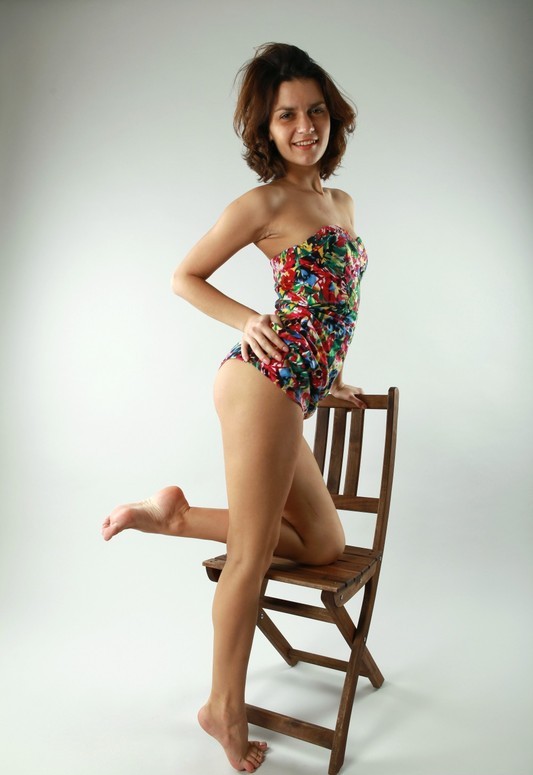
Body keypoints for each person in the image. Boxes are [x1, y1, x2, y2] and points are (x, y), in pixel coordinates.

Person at [102, 42, 368, 773]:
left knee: (322, 542)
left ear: (333, 116)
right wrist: (248, 318)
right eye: (287, 116)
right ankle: (223, 706)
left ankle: (174, 517)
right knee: (250, 558)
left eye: (315, 111)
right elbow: (185, 276)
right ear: (265, 127)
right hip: (262, 383)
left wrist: (328, 374)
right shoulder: (264, 203)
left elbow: (326, 306)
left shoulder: (340, 203)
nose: (304, 127)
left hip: (296, 384)